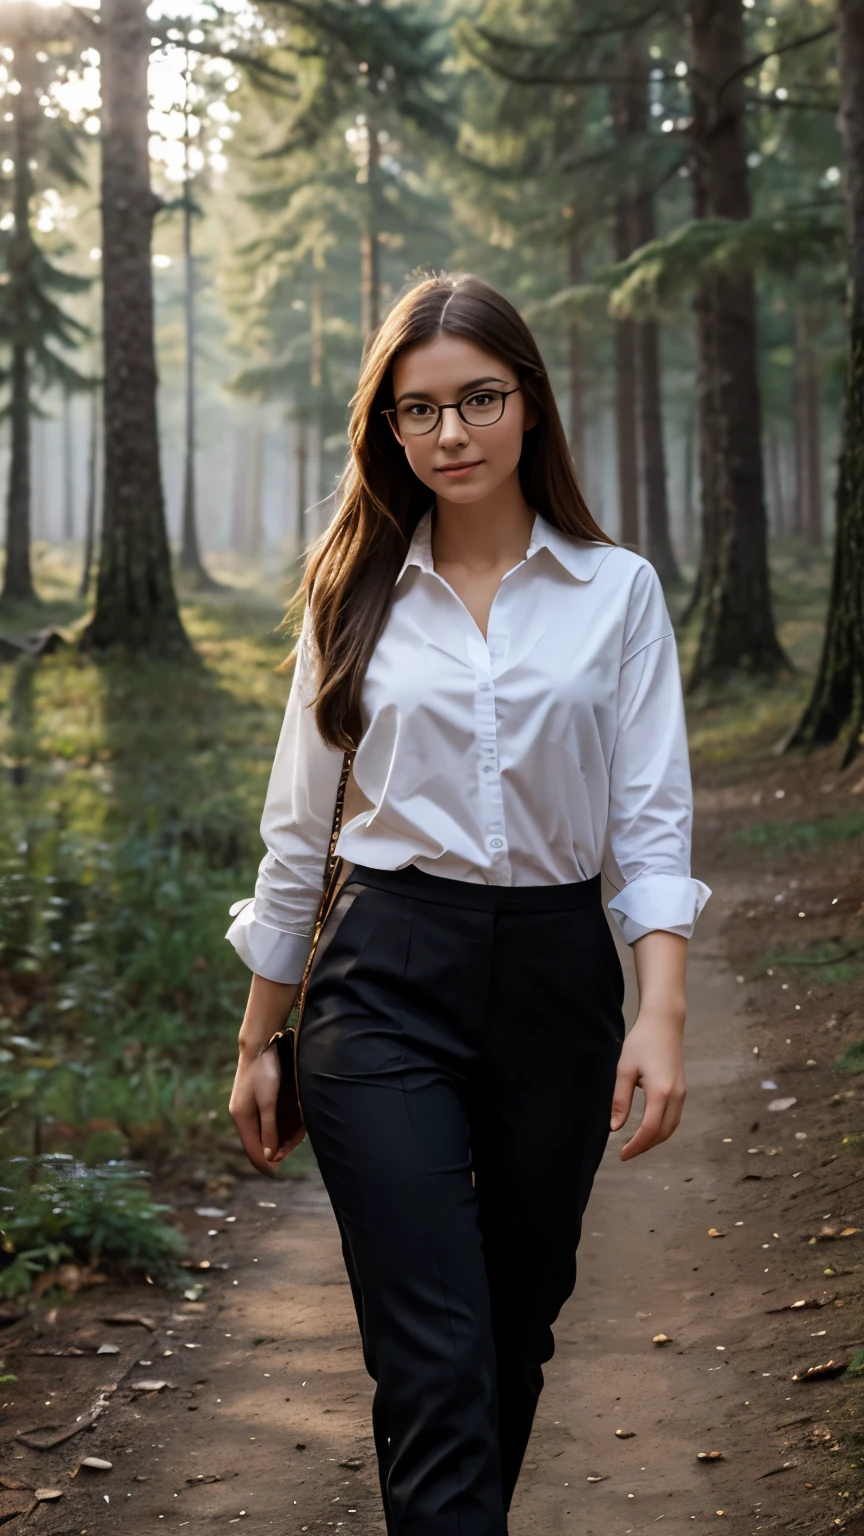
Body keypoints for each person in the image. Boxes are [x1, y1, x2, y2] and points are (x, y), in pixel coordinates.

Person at [226, 272, 711, 1536]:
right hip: (383, 979)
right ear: (387, 429)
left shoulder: (619, 594)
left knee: (511, 1328)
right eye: (418, 411)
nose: (449, 435)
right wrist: (256, 1037)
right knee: (433, 1354)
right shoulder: (355, 596)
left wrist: (659, 1011)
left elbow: (651, 826)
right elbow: (298, 837)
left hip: (557, 978)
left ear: (530, 407)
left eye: (478, 401)